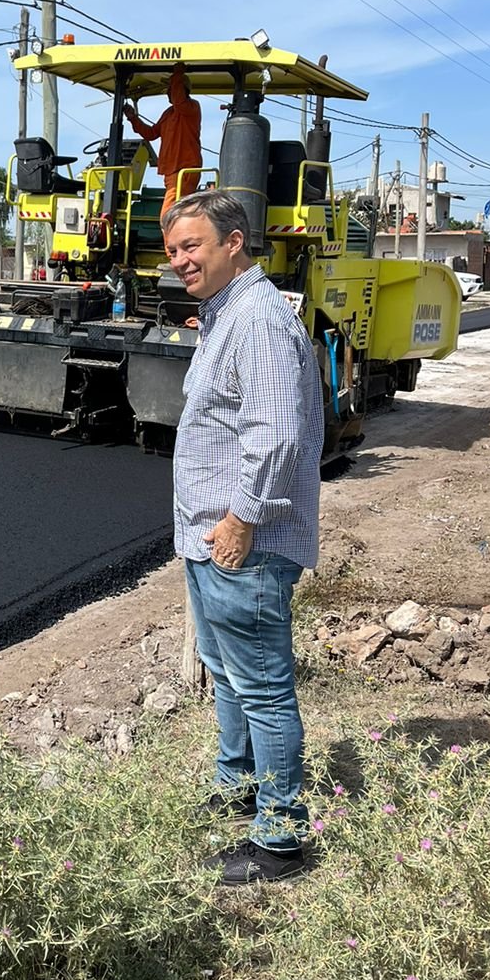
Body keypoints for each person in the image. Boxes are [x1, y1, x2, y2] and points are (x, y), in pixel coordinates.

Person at [162, 191, 323, 884]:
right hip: (210, 535)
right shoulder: (227, 317)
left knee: (261, 687)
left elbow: (276, 435)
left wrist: (241, 518)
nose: (179, 261)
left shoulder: (256, 319)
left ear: (235, 242)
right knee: (226, 675)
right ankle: (238, 787)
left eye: (192, 246)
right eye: (172, 251)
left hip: (242, 539)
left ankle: (280, 840)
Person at [126, 66, 203, 214]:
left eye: (171, 88)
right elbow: (151, 133)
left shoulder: (192, 107)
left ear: (181, 89)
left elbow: (180, 103)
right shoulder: (169, 113)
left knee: (169, 214)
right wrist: (133, 118)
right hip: (172, 171)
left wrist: (178, 73)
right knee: (177, 213)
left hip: (185, 169)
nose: (168, 91)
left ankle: (169, 236)